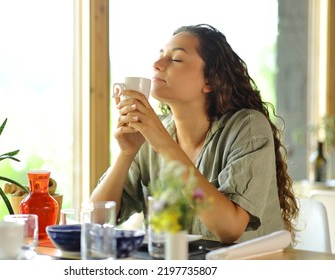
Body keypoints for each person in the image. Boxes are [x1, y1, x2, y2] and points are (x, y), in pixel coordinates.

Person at [90, 24, 299, 244]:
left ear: (210, 81)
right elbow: (96, 220)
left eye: (176, 59)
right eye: (160, 56)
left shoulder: (247, 127)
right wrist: (126, 153)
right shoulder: (150, 134)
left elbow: (230, 228)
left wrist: (162, 143)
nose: (157, 64)